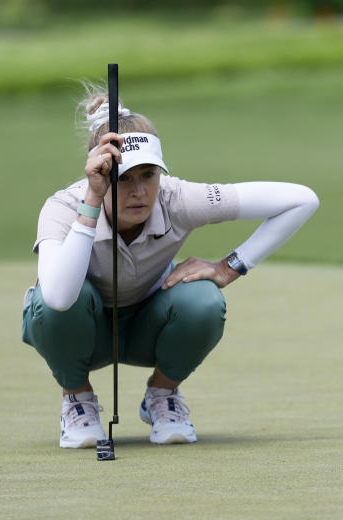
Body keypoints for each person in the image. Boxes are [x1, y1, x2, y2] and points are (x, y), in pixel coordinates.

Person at [22, 86, 319, 449]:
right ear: (98, 172)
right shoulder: (63, 207)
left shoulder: (176, 198)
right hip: (83, 327)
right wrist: (94, 198)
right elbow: (58, 297)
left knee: (203, 301)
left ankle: (162, 396)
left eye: (148, 175)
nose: (139, 191)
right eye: (124, 177)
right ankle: (77, 401)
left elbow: (302, 200)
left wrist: (230, 267)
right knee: (51, 306)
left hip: (149, 324)